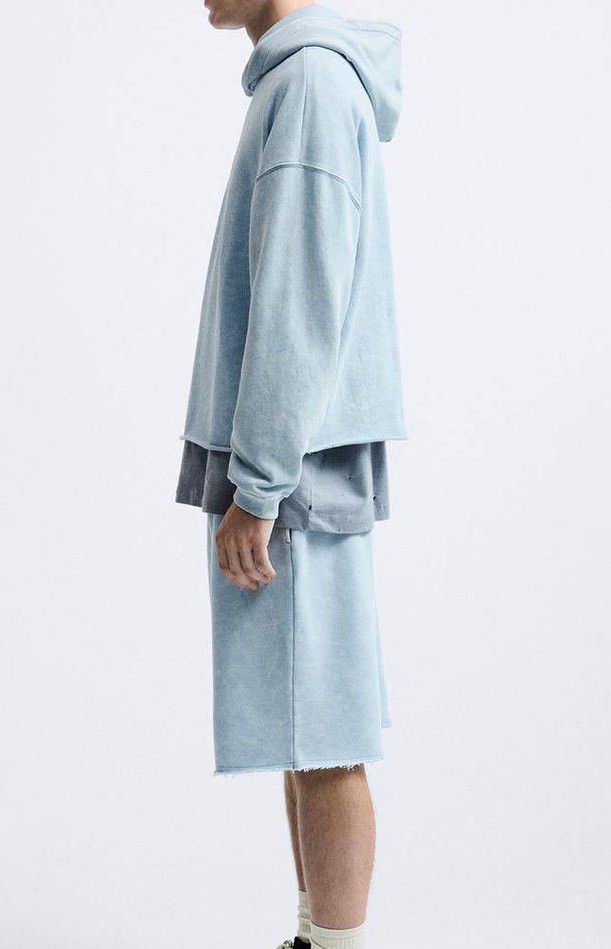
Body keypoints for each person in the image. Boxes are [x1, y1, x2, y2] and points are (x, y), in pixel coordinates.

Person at [175, 2, 407, 946]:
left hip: (295, 473)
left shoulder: (309, 83)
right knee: (302, 729)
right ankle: (315, 935)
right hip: (296, 467)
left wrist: (259, 486)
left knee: (325, 733)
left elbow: (299, 301)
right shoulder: (301, 79)